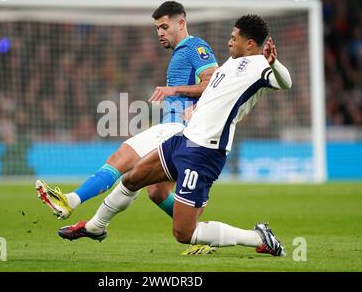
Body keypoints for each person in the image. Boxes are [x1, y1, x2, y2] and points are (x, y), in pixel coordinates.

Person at [59, 14, 292, 257]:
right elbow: (217, 95)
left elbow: (286, 83)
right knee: (133, 178)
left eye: (234, 38)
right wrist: (196, 109)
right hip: (184, 139)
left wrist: (274, 63)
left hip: (204, 152)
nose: (228, 42)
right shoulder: (231, 63)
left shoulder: (261, 66)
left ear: (250, 43)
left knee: (183, 233)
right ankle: (96, 227)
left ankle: (258, 237)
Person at [36, 1, 218, 253]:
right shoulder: (180, 52)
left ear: (182, 23)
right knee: (156, 191)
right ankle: (200, 236)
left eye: (165, 27)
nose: (160, 33)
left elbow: (214, 83)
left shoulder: (194, 47)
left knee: (122, 156)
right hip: (181, 133)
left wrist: (175, 90)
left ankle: (70, 201)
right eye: (157, 28)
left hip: (178, 128)